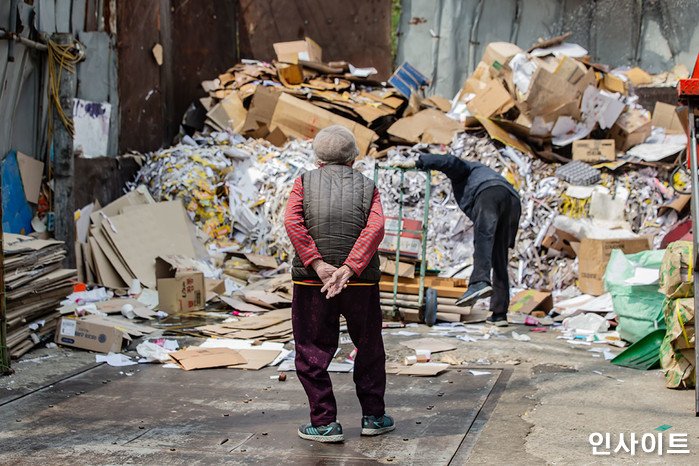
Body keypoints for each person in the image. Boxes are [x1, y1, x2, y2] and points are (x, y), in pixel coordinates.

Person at [284, 125, 395, 443]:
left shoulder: (303, 182)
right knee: (369, 347)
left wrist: (317, 265)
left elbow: (293, 222)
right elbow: (376, 227)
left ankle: (324, 423)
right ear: (353, 157)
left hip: (311, 284)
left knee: (311, 351)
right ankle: (373, 417)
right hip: (359, 284)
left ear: (317, 157)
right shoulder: (367, 185)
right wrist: (349, 269)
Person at [392, 153, 521, 326]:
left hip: (488, 193)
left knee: (483, 239)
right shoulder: (487, 173)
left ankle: (479, 282)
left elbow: (449, 162)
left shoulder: (466, 169)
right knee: (500, 256)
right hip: (513, 200)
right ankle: (499, 314)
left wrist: (418, 162)